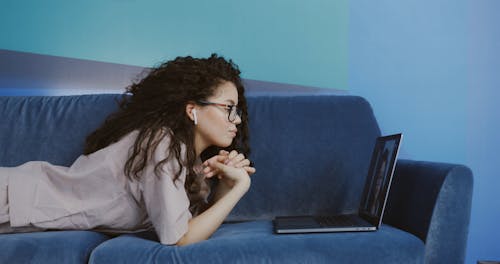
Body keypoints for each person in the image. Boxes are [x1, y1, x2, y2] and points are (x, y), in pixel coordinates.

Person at [0, 54, 255, 246]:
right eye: (228, 108)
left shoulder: (186, 161)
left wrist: (226, 186)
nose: (237, 120)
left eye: (238, 110)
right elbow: (180, 239)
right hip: (11, 197)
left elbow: (192, 227)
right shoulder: (162, 144)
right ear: (193, 110)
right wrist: (241, 188)